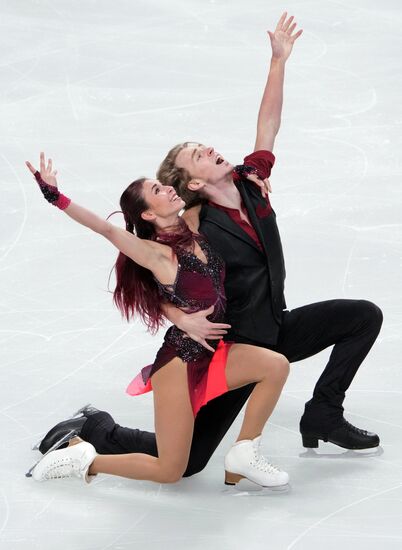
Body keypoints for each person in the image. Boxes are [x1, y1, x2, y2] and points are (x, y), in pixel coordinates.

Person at [34, 12, 383, 478]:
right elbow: (158, 270)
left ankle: (323, 412)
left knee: (362, 316)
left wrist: (277, 61)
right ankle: (97, 428)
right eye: (197, 154)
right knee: (190, 461)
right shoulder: (194, 221)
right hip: (233, 342)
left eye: (205, 145)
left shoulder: (252, 181)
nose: (212, 150)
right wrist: (177, 315)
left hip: (275, 326)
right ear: (194, 180)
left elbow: (269, 124)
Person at [26, 152, 291, 488]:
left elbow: (217, 186)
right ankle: (83, 459)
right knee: (171, 470)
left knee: (275, 366)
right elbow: (105, 228)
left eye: (164, 185)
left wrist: (248, 172)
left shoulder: (195, 228)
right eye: (157, 191)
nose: (167, 189)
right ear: (149, 213)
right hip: (179, 365)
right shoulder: (156, 253)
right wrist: (55, 196)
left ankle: (246, 451)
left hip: (212, 353)